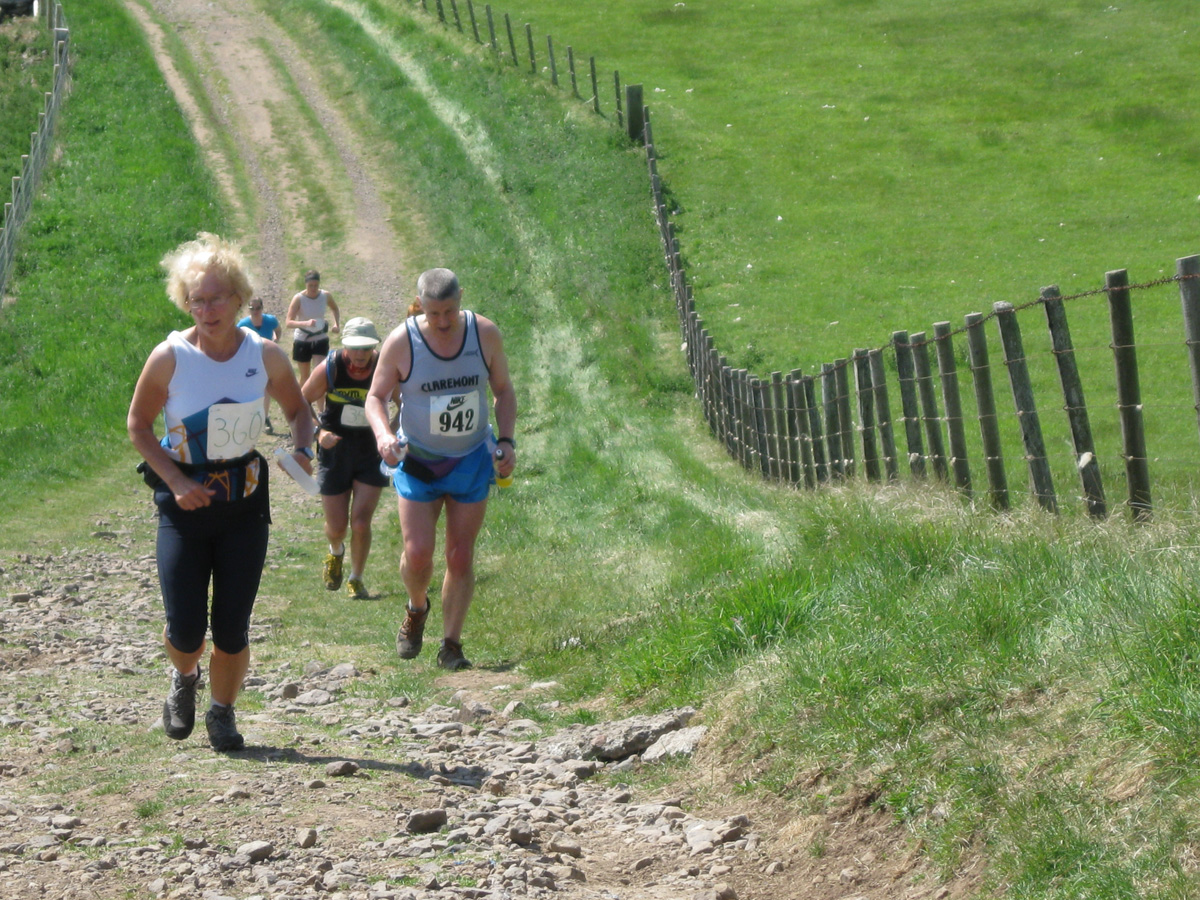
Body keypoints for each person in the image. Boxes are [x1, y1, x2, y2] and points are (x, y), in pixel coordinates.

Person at [128, 233, 316, 752]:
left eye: (216, 297)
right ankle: (184, 678)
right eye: (197, 298)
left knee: (232, 625)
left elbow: (299, 412)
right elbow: (139, 426)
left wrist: (302, 449)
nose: (207, 308)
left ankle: (223, 713)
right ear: (185, 302)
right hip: (184, 506)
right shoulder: (170, 356)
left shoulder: (265, 354)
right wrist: (176, 481)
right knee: (185, 628)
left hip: (243, 504)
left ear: (238, 298)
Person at [366, 268, 516, 671]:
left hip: (469, 458)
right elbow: (376, 397)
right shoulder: (403, 341)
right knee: (417, 555)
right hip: (418, 460)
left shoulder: (484, 334)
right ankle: (417, 608)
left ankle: (451, 644)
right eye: (434, 314)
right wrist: (383, 436)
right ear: (421, 307)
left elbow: (503, 390)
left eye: (450, 311)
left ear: (461, 299)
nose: (444, 322)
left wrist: (506, 440)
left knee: (460, 556)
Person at [302, 317, 398, 600]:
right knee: (337, 527)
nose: (360, 356)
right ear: (344, 345)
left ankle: (356, 578)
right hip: (336, 451)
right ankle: (335, 552)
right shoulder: (330, 367)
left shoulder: (384, 367)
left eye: (366, 349)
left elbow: (406, 403)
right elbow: (300, 401)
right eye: (355, 348)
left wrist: (391, 431)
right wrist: (319, 433)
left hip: (371, 451)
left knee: (360, 522)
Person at [286, 269, 341, 402]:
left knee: (319, 374)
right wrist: (306, 323)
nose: (313, 288)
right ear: (306, 284)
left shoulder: (325, 296)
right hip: (302, 339)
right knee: (305, 376)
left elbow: (334, 308)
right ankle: (301, 405)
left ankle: (321, 410)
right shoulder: (298, 298)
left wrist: (336, 324)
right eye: (311, 286)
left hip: (320, 338)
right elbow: (288, 322)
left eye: (316, 285)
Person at [237, 298, 282, 433]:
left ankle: (265, 418)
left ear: (262, 308)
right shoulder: (243, 324)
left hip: (266, 359)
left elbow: (278, 330)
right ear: (248, 309)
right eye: (252, 308)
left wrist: (275, 341)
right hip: (249, 360)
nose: (255, 311)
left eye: (258, 308)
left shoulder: (270, 320)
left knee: (266, 389)